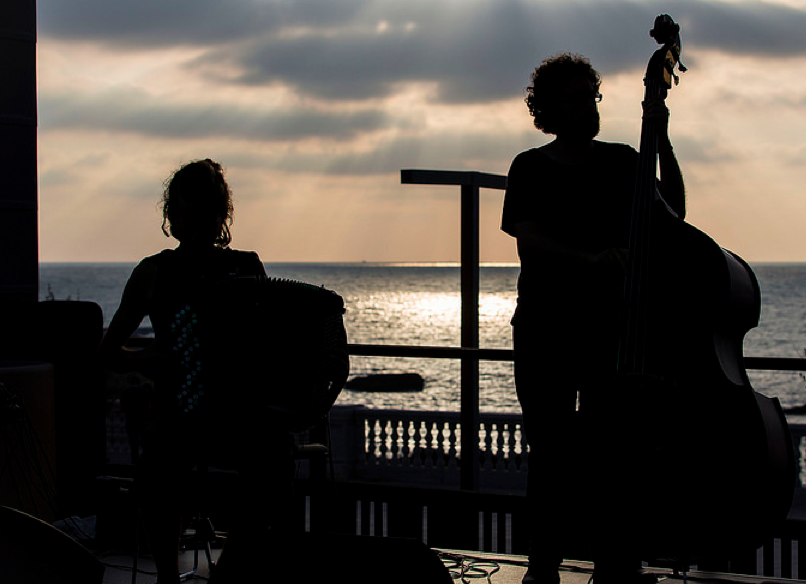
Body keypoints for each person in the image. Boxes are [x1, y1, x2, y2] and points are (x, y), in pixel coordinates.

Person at [501, 54, 685, 584]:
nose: (589, 107)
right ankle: (544, 564)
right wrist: (588, 261)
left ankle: (616, 564)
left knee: (615, 454)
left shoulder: (626, 161)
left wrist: (662, 139)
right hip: (545, 329)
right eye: (577, 99)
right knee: (551, 450)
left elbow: (673, 210)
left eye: (593, 97)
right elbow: (527, 233)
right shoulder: (529, 167)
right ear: (548, 109)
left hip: (611, 328)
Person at [99, 159, 294, 584]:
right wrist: (145, 359)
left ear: (220, 214)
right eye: (185, 210)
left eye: (204, 210)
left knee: (276, 457)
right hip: (178, 411)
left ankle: (230, 570)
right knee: (158, 465)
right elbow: (108, 350)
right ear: (172, 214)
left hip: (236, 412)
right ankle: (169, 578)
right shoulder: (154, 271)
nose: (192, 219)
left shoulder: (246, 266)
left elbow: (272, 340)